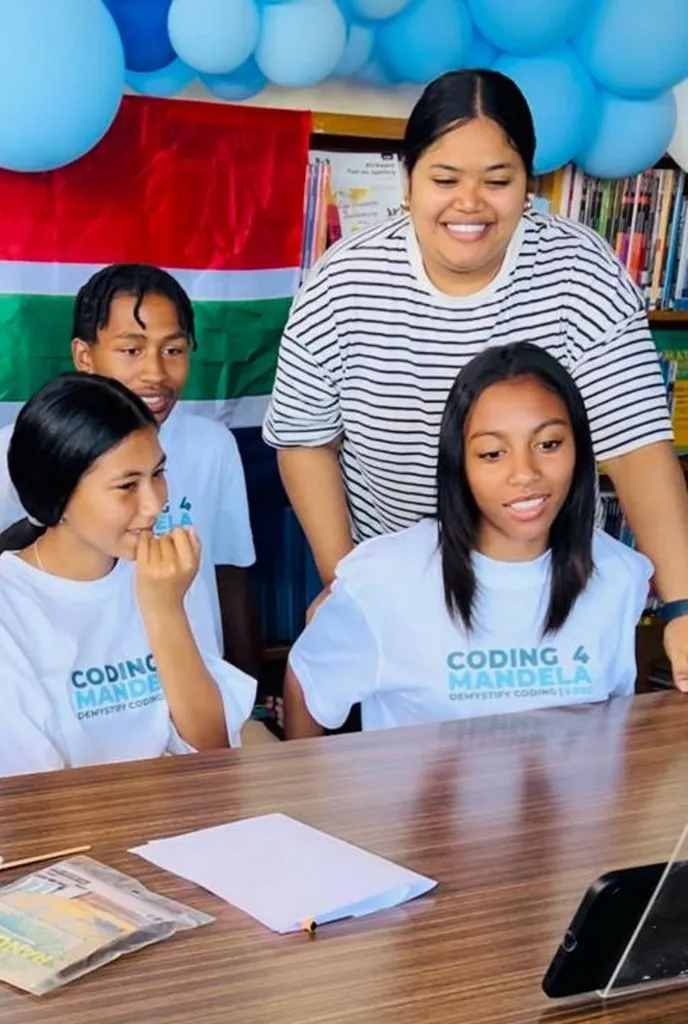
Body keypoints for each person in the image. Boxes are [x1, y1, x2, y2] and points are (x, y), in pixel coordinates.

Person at [262, 68, 688, 688]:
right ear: (407, 179)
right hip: (405, 594)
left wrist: (681, 605)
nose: (470, 204)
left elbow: (637, 448)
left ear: (528, 184)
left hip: (552, 589)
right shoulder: (343, 282)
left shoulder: (581, 271)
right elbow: (306, 441)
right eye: (444, 179)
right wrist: (346, 581)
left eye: (497, 180)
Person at [284, 343, 655, 737]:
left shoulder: (620, 575)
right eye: (493, 453)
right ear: (459, 461)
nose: (525, 473)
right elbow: (306, 687)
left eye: (548, 444)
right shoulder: (382, 581)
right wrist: (305, 779)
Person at [0, 373, 256, 782]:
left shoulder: (165, 573)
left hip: (180, 816)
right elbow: (23, 799)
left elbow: (213, 752)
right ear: (59, 495)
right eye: (127, 485)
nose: (154, 504)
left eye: (158, 473)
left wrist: (166, 612)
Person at [0, 264, 261, 678]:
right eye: (131, 350)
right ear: (84, 356)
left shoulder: (214, 446)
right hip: (87, 686)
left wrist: (252, 693)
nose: (155, 373)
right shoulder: (19, 447)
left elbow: (229, 574)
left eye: (173, 350)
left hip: (197, 681)